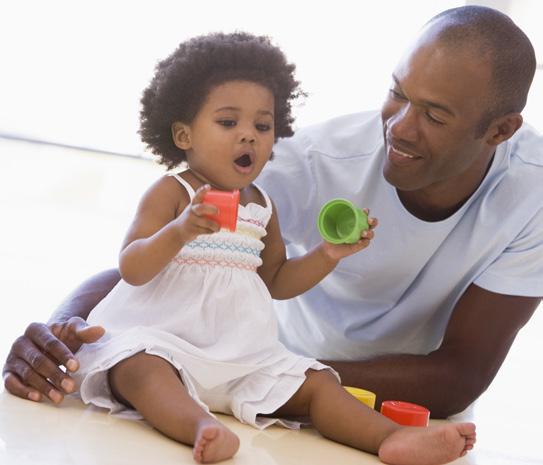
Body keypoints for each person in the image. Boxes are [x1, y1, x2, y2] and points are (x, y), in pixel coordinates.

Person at [3, 3, 540, 423]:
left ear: (500, 131)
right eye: (396, 93)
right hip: (255, 387)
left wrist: (280, 381)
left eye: (435, 115)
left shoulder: (532, 194)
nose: (398, 126)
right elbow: (157, 257)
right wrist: (63, 328)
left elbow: (457, 376)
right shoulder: (312, 162)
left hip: (353, 398)